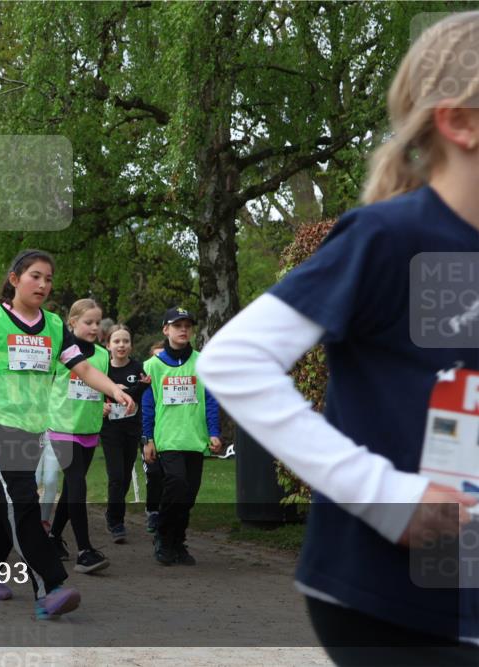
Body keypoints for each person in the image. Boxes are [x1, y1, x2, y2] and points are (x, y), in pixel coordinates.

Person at [198, 12, 478, 663]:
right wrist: (383, 494)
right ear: (459, 121)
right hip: (388, 599)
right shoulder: (391, 238)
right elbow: (235, 360)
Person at [0, 249, 135, 619]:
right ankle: (50, 586)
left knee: (11, 503)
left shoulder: (53, 325)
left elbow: (81, 368)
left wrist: (114, 390)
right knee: (24, 502)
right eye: (35, 276)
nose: (43, 284)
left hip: (33, 430)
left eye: (49, 279)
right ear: (15, 279)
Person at [141, 308, 222, 566]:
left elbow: (210, 401)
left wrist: (215, 432)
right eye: (177, 325)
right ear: (166, 330)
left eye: (187, 325)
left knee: (188, 495)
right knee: (176, 485)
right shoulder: (152, 366)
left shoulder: (202, 362)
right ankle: (163, 537)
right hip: (168, 439)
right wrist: (148, 438)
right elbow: (147, 405)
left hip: (195, 439)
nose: (183, 329)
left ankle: (178, 541)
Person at [46, 299, 115, 574]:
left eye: (98, 323)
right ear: (72, 323)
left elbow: (100, 387)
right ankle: (85, 551)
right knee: (77, 483)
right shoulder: (61, 352)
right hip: (62, 426)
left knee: (73, 488)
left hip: (89, 428)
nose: (94, 327)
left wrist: (106, 402)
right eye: (88, 322)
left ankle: (52, 538)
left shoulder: (102, 355)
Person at [101, 324, 150, 542]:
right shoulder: (102, 369)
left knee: (126, 476)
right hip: (110, 430)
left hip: (131, 429)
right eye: (117, 341)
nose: (121, 345)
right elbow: (96, 392)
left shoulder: (138, 368)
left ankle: (114, 512)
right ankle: (116, 521)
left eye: (126, 341)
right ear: (108, 345)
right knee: (116, 476)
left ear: (131, 345)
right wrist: (102, 405)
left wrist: (134, 389)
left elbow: (141, 395)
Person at [143, 340, 165, 533]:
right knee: (154, 473)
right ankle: (152, 512)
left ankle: (165, 513)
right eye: (155, 357)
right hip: (149, 436)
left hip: (170, 434)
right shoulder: (146, 380)